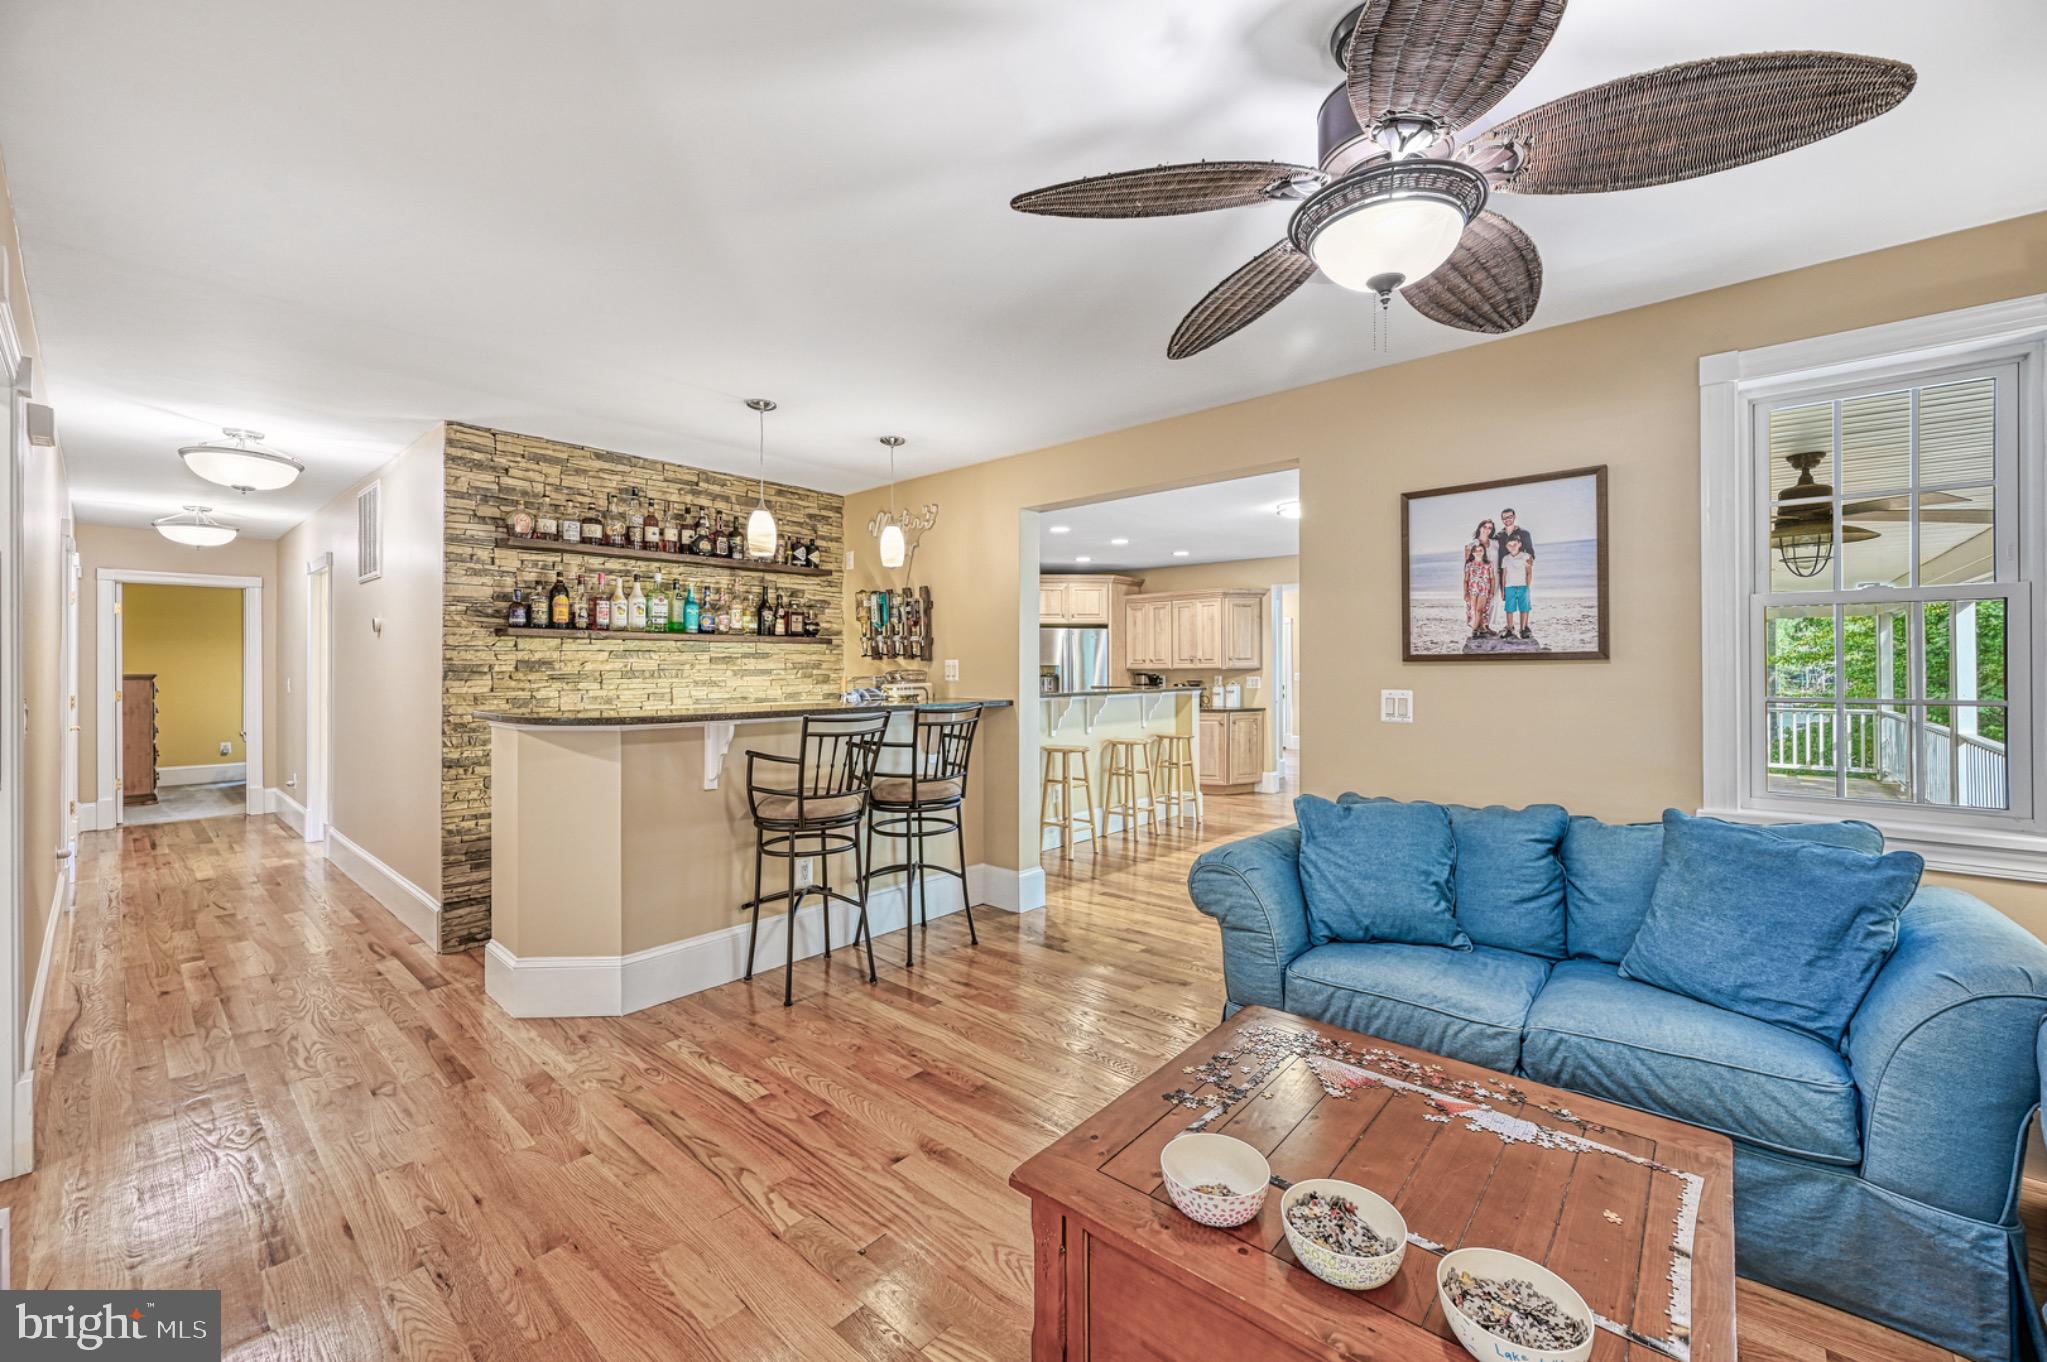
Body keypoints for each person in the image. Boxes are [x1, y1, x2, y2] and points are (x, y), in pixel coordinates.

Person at [1489, 507, 1537, 634]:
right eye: (1504, 518)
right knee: (1508, 601)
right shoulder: (1498, 536)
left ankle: (1524, 627)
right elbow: (1492, 549)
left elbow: (1530, 552)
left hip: (1520, 573)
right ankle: (1510, 627)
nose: (1507, 519)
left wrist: (1530, 562)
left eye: (1510, 517)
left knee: (1524, 602)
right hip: (1504, 572)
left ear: (1514, 517)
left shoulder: (1524, 533)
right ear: (1502, 520)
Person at [1462, 517, 1497, 639]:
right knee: (1473, 609)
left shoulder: (1489, 562)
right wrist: (1465, 592)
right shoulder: (1469, 562)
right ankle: (1478, 628)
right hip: (1472, 587)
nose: (1487, 529)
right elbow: (1466, 578)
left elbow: (1492, 578)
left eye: (1490, 528)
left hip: (1485, 587)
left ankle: (1477, 629)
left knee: (1481, 609)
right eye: (1485, 527)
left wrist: (1492, 591)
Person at [1498, 530, 1535, 640]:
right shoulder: (1505, 559)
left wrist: (1527, 586)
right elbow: (1504, 575)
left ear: (1520, 544)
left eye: (1515, 544)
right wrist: (1503, 590)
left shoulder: (1526, 556)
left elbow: (1529, 573)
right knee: (1509, 608)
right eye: (1510, 545)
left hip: (1523, 586)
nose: (1512, 547)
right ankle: (1510, 628)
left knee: (1524, 608)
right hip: (1509, 587)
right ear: (1506, 546)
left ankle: (1523, 629)